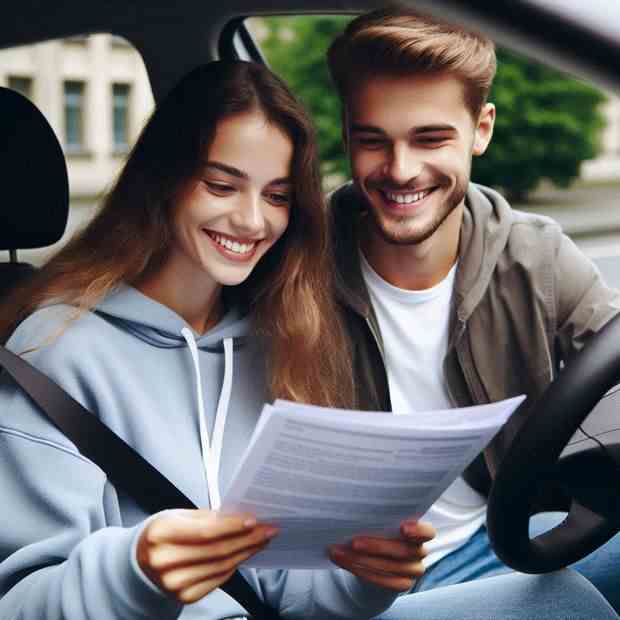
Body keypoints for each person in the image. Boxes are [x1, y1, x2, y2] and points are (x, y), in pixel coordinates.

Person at [0, 60, 615, 620]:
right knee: (566, 605)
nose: (251, 220)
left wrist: (362, 577)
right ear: (164, 181)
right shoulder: (52, 353)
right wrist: (133, 570)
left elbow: (287, 589)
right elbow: (19, 604)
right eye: (221, 185)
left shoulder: (278, 340)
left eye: (277, 197)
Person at [325, 5, 620, 618]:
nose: (401, 171)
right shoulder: (295, 261)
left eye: (431, 139)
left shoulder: (536, 254)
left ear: (481, 129)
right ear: (347, 133)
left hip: (507, 541)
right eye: (373, 140)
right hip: (358, 585)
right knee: (566, 607)